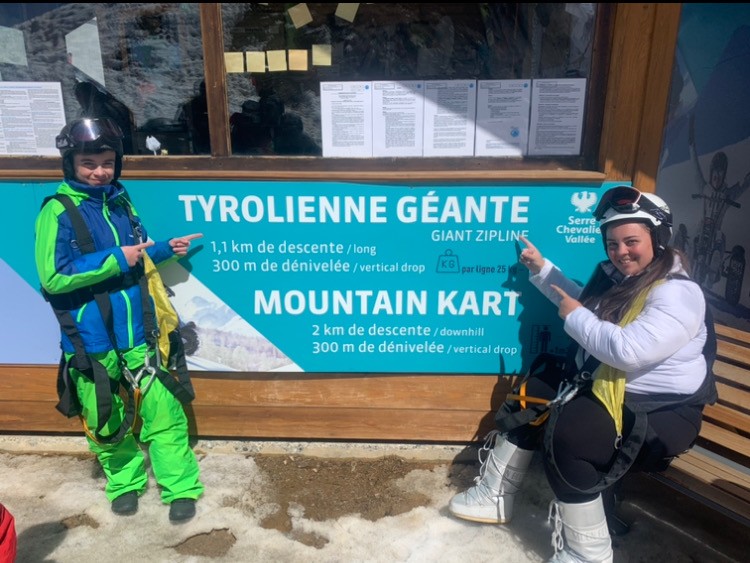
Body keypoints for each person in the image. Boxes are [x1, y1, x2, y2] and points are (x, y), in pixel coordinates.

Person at [448, 186, 715, 562]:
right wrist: (543, 271)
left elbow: (628, 351)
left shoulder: (676, 293)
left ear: (657, 238)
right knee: (536, 390)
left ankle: (587, 552)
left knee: (570, 432)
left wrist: (575, 315)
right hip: (616, 393)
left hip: (662, 413)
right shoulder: (629, 281)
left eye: (631, 241)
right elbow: (583, 304)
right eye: (612, 243)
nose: (621, 252)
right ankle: (495, 496)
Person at [34, 117, 205, 522]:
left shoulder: (120, 201)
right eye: (89, 163)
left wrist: (164, 249)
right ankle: (125, 483)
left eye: (106, 163)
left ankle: (180, 487)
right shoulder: (57, 212)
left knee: (163, 411)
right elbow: (52, 276)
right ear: (71, 164)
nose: (99, 172)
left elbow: (136, 253)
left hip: (138, 333)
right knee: (104, 416)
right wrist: (114, 260)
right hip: (90, 339)